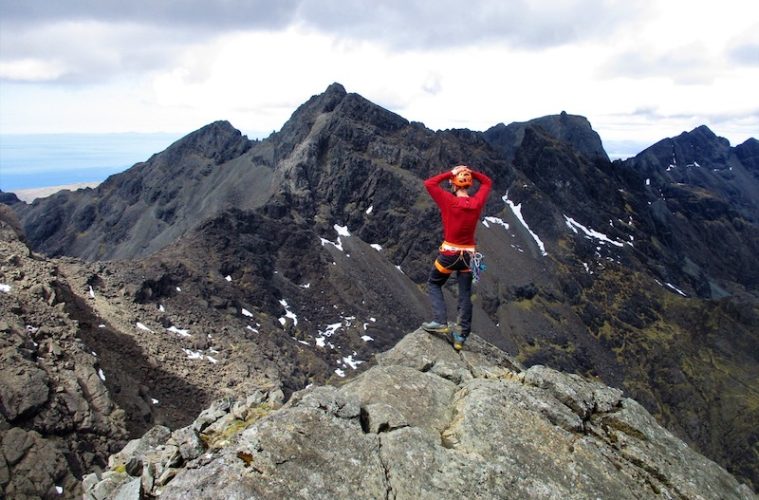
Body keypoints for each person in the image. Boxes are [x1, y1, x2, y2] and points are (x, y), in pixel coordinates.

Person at [421, 165, 492, 351]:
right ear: (468, 184)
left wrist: (451, 173)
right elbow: (487, 182)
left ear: (453, 184)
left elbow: (429, 183)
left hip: (449, 254)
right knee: (465, 294)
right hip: (468, 257)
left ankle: (440, 321)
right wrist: (471, 172)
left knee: (434, 283)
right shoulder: (476, 203)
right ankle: (460, 336)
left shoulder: (448, 201)